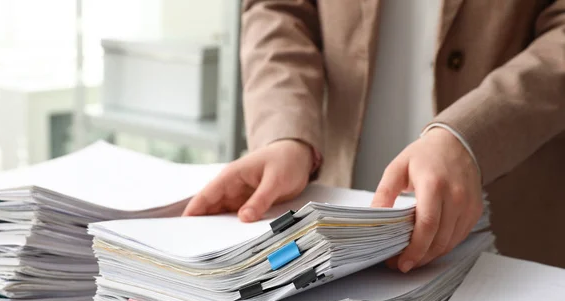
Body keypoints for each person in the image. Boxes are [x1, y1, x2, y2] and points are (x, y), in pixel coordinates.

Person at [184, 0, 565, 270]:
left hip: (513, 215)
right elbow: (278, 9)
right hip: (334, 199)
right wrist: (285, 133)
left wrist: (471, 135)